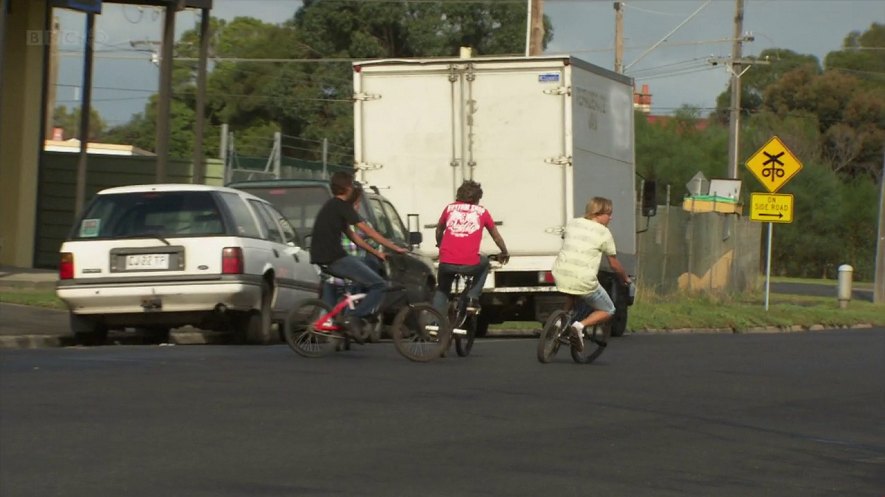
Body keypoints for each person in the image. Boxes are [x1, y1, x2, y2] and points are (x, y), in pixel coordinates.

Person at [310, 172, 407, 338]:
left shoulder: (332, 206)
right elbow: (367, 231)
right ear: (347, 188)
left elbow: (354, 237)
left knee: (360, 282)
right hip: (335, 258)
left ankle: (346, 317)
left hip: (324, 257)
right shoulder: (342, 206)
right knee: (379, 284)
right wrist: (394, 247)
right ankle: (353, 318)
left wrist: (377, 253)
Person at [551, 196, 631, 352]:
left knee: (572, 290)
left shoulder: (573, 223)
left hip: (560, 274)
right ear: (598, 213)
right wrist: (625, 279)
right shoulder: (604, 233)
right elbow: (614, 264)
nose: (611, 217)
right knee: (609, 310)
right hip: (583, 279)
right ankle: (579, 326)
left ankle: (559, 324)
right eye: (609, 213)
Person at [433, 180, 509, 316]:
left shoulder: (449, 208)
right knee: (485, 263)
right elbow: (496, 237)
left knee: (442, 289)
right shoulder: (482, 212)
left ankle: (433, 324)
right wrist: (504, 252)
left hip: (446, 262)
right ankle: (472, 298)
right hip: (470, 263)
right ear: (476, 198)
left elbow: (439, 230)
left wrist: (440, 245)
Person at [320, 186, 383, 308]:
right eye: (357, 203)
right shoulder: (361, 224)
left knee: (328, 311)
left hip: (331, 277)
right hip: (352, 277)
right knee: (353, 312)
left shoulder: (331, 221)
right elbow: (374, 244)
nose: (358, 206)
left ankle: (324, 324)